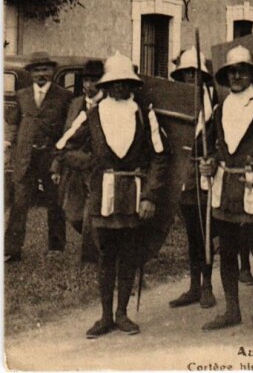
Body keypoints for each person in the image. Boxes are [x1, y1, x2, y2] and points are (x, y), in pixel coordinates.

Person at [54, 52, 169, 338]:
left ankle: (122, 314)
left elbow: (160, 156)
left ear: (133, 84)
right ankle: (105, 316)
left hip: (133, 196)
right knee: (105, 255)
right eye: (116, 82)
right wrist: (91, 164)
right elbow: (62, 147)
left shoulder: (144, 113)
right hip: (101, 197)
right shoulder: (92, 113)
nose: (121, 88)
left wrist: (150, 196)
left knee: (129, 254)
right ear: (108, 84)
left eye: (126, 82)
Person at [199, 45, 253, 334]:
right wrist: (208, 163)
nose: (237, 76)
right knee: (227, 251)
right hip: (225, 191)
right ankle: (232, 310)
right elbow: (210, 148)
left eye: (242, 70)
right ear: (226, 76)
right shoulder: (220, 108)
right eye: (232, 72)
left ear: (252, 74)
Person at [5, 51, 72, 263]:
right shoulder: (22, 95)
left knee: (55, 202)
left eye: (45, 69)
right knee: (19, 202)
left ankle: (56, 247)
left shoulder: (64, 96)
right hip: (25, 157)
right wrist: (7, 147)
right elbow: (14, 125)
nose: (41, 74)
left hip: (51, 157)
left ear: (52, 71)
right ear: (31, 73)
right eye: (36, 70)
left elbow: (68, 129)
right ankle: (11, 249)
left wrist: (60, 158)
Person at [168, 48, 217, 309]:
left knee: (205, 231)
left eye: (195, 73)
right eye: (186, 73)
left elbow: (223, 140)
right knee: (192, 234)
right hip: (185, 177)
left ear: (203, 76)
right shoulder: (176, 105)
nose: (190, 78)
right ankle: (193, 286)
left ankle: (208, 285)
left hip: (206, 176)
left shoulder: (214, 105)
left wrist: (213, 157)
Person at [51, 59, 105, 264]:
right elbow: (66, 135)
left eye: (94, 81)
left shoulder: (107, 105)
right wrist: (57, 166)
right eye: (86, 80)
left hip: (96, 168)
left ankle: (96, 256)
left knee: (94, 212)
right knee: (73, 214)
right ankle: (96, 243)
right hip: (74, 166)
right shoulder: (76, 104)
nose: (89, 86)